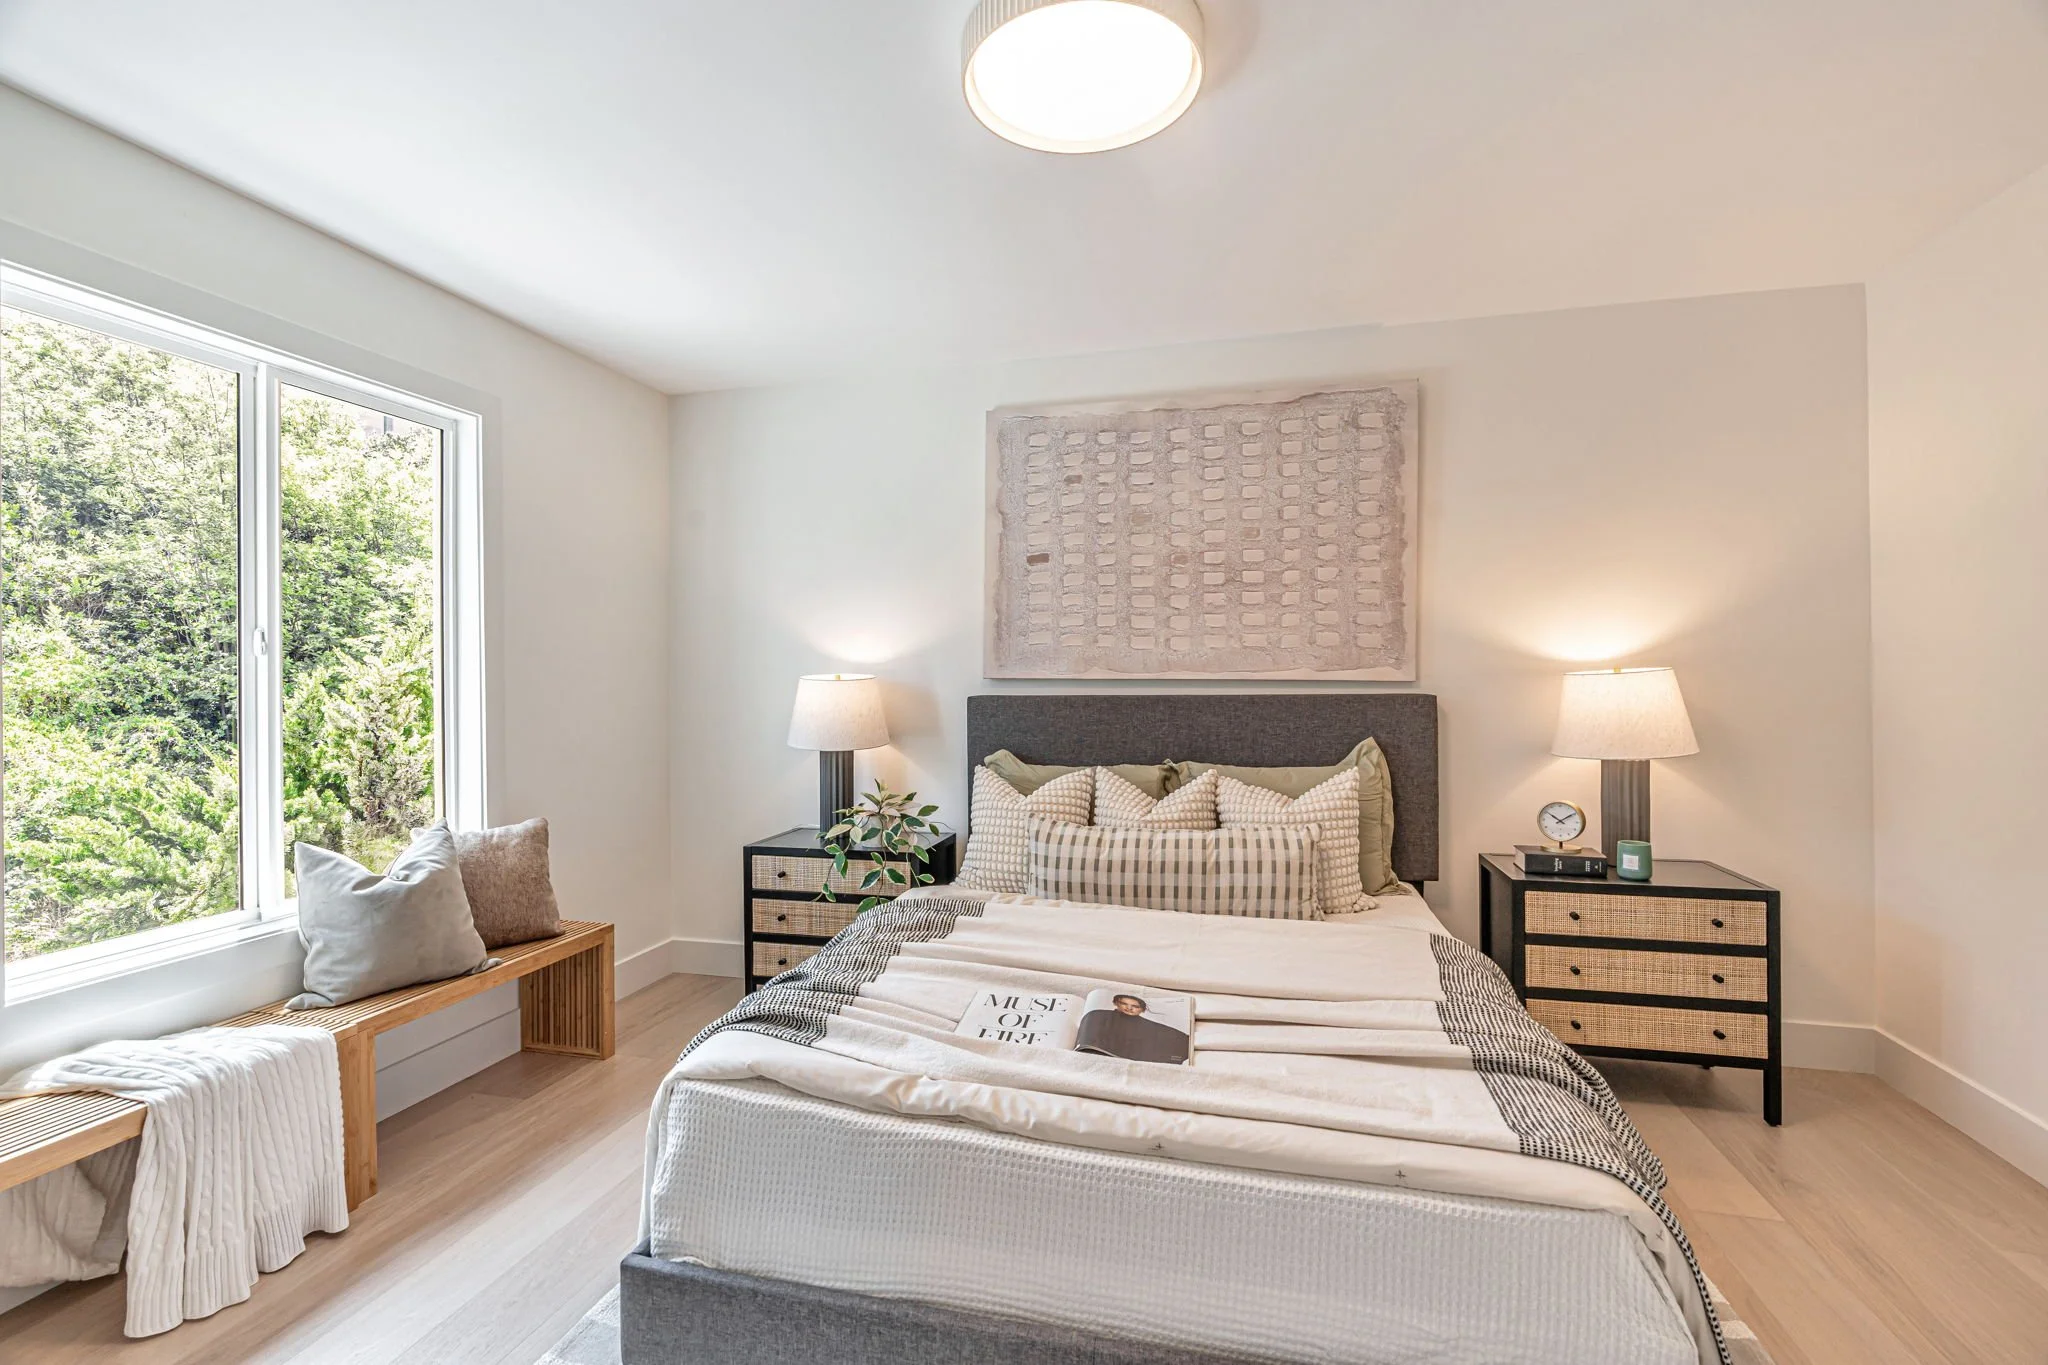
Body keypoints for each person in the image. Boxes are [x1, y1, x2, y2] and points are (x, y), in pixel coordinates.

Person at [1075, 993, 1188, 1065]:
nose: (1129, 1008)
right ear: (1116, 1003)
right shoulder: (1098, 1015)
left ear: (1142, 1010)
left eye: (1135, 1006)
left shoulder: (1149, 1026)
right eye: (1124, 1003)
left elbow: (1177, 1039)